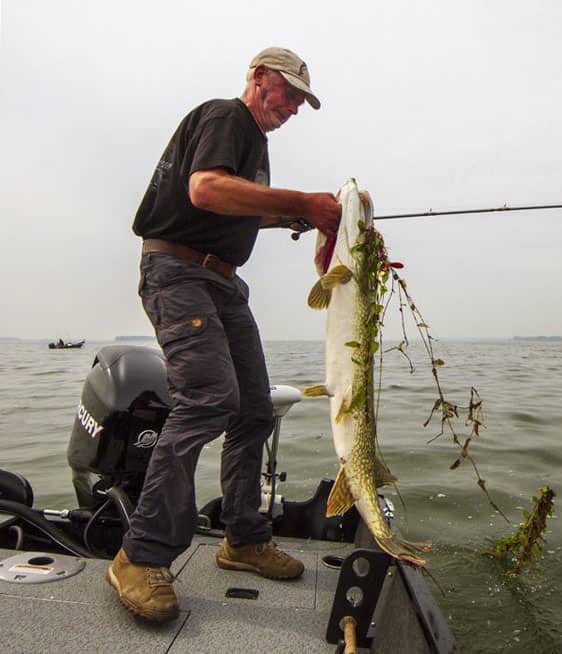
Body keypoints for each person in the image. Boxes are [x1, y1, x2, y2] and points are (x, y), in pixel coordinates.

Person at [107, 47, 342, 623]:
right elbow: (206, 190)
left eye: (300, 102)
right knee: (209, 400)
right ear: (259, 78)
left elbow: (231, 204)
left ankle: (242, 537)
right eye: (287, 93)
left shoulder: (253, 145)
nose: (291, 108)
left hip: (221, 282)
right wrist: (300, 200)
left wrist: (288, 218)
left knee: (255, 411)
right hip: (179, 273)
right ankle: (139, 556)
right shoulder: (224, 116)